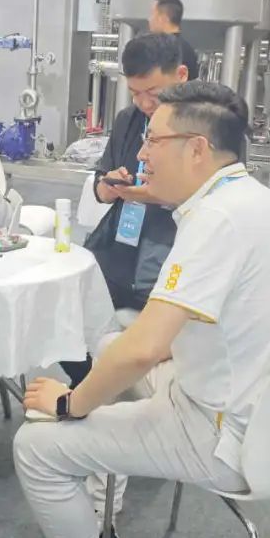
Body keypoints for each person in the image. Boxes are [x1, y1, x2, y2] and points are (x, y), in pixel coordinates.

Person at [14, 81, 270, 538]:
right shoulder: (251, 198)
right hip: (266, 409)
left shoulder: (217, 220)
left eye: (153, 140)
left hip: (222, 433)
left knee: (36, 446)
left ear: (196, 149)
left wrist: (70, 404)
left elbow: (144, 350)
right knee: (110, 348)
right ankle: (103, 504)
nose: (141, 153)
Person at [59, 33, 188, 390]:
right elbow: (102, 184)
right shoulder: (129, 120)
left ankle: (105, 393)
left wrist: (157, 195)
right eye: (135, 93)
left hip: (167, 261)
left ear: (181, 76)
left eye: (153, 93)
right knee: (60, 309)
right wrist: (109, 187)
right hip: (118, 249)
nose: (144, 103)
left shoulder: (204, 129)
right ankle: (92, 386)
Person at [147, 0, 200, 81]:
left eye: (152, 14)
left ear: (163, 18)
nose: (149, 19)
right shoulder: (188, 50)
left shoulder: (157, 49)